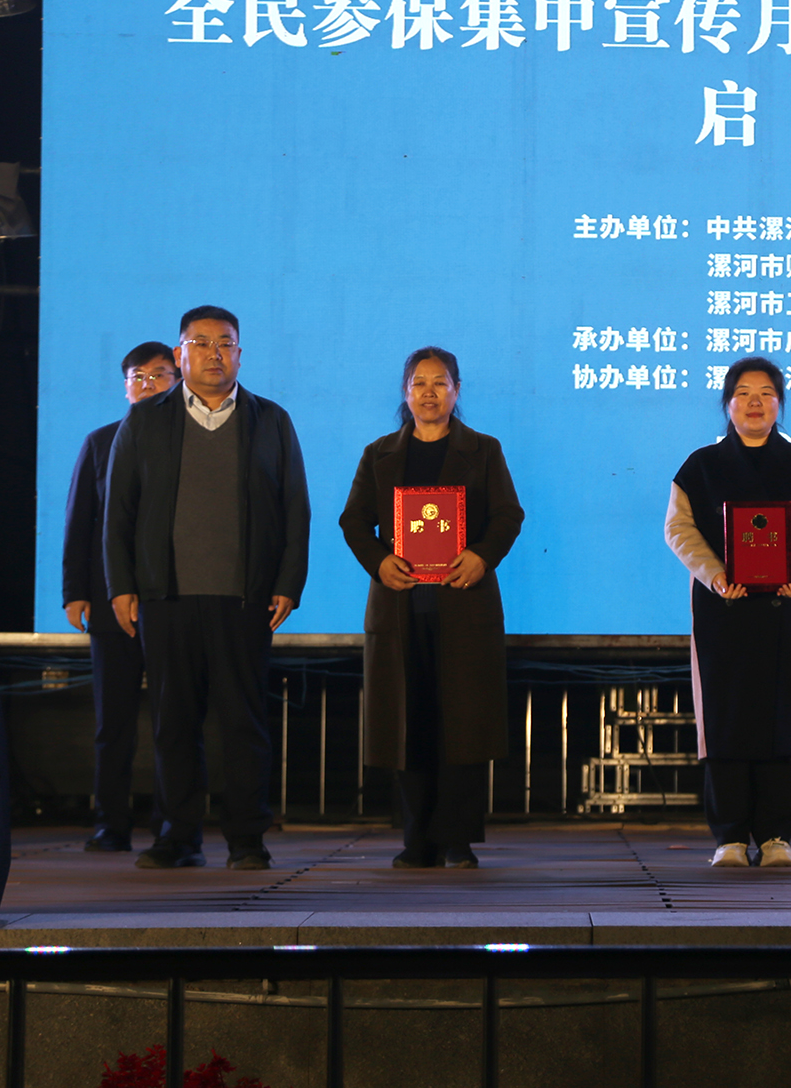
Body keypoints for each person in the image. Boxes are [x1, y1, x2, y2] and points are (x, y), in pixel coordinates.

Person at [104, 306, 311, 871]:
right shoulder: (145, 420)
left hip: (245, 598)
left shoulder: (271, 420)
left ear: (240, 354)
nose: (214, 353)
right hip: (165, 597)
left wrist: (288, 582)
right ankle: (178, 837)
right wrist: (121, 585)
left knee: (244, 723)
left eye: (225, 343)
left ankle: (247, 839)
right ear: (180, 354)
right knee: (174, 723)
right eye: (201, 343)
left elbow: (295, 507)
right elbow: (118, 511)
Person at [340, 346, 524, 869]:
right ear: (405, 392)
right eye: (419, 383)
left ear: (456, 391)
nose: (429, 392)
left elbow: (508, 515)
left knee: (463, 725)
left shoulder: (484, 450)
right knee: (409, 723)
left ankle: (458, 840)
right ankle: (417, 840)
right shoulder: (379, 453)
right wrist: (379, 562)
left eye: (440, 383)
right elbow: (354, 521)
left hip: (464, 604)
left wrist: (482, 556)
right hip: (400, 607)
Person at [664, 357, 791, 867]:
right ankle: (729, 837)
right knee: (724, 718)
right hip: (722, 607)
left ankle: (775, 836)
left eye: (766, 392)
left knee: (779, 716)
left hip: (784, 607)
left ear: (780, 403)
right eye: (743, 393)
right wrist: (714, 574)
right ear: (728, 403)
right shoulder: (700, 466)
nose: (755, 402)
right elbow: (678, 528)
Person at [63, 341, 179, 852]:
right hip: (110, 599)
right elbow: (80, 522)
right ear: (125, 386)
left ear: (177, 381)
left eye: (160, 375)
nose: (149, 384)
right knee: (113, 721)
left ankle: (172, 824)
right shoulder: (100, 441)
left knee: (173, 719)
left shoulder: (190, 439)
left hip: (172, 598)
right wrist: (75, 592)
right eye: (139, 376)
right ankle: (110, 824)